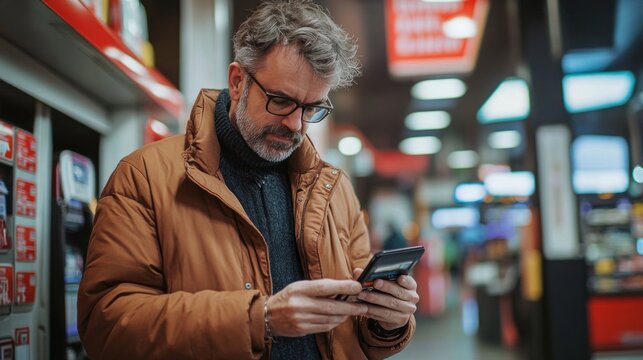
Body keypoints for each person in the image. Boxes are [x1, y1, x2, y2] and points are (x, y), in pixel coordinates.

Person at [77, 1, 418, 358]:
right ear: (238, 81)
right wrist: (261, 319)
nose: (296, 125)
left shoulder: (334, 190)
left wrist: (387, 320)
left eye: (312, 108)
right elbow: (108, 325)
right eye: (281, 101)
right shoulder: (144, 178)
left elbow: (358, 336)